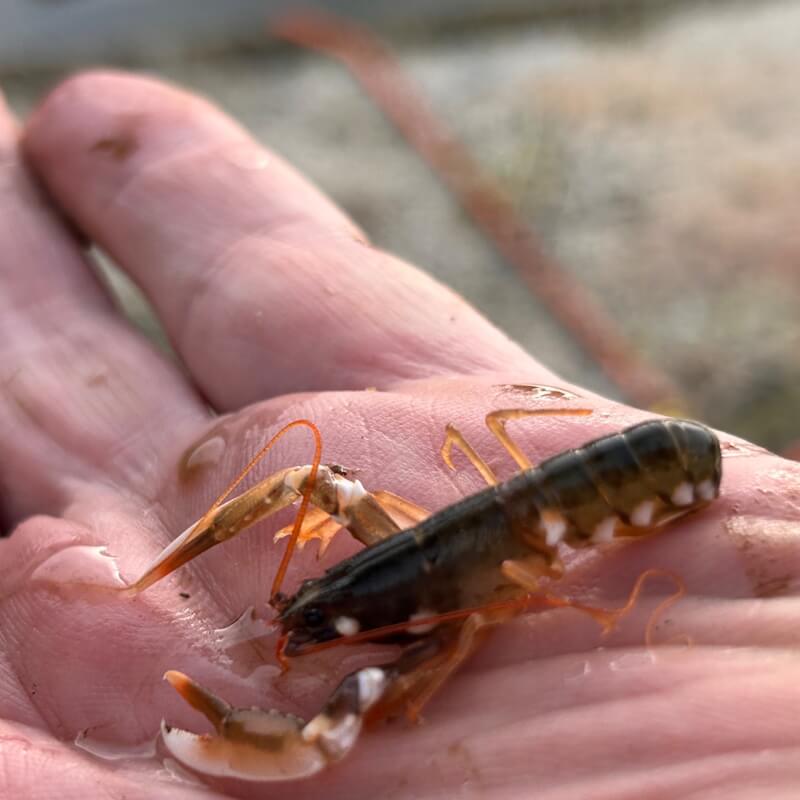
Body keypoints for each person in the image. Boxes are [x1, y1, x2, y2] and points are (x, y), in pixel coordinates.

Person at [1, 72, 798, 799]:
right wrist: (315, 611)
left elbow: (348, 723)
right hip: (609, 478)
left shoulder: (445, 624)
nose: (300, 615)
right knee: (322, 499)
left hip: (672, 470)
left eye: (308, 612)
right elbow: (317, 491)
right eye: (309, 608)